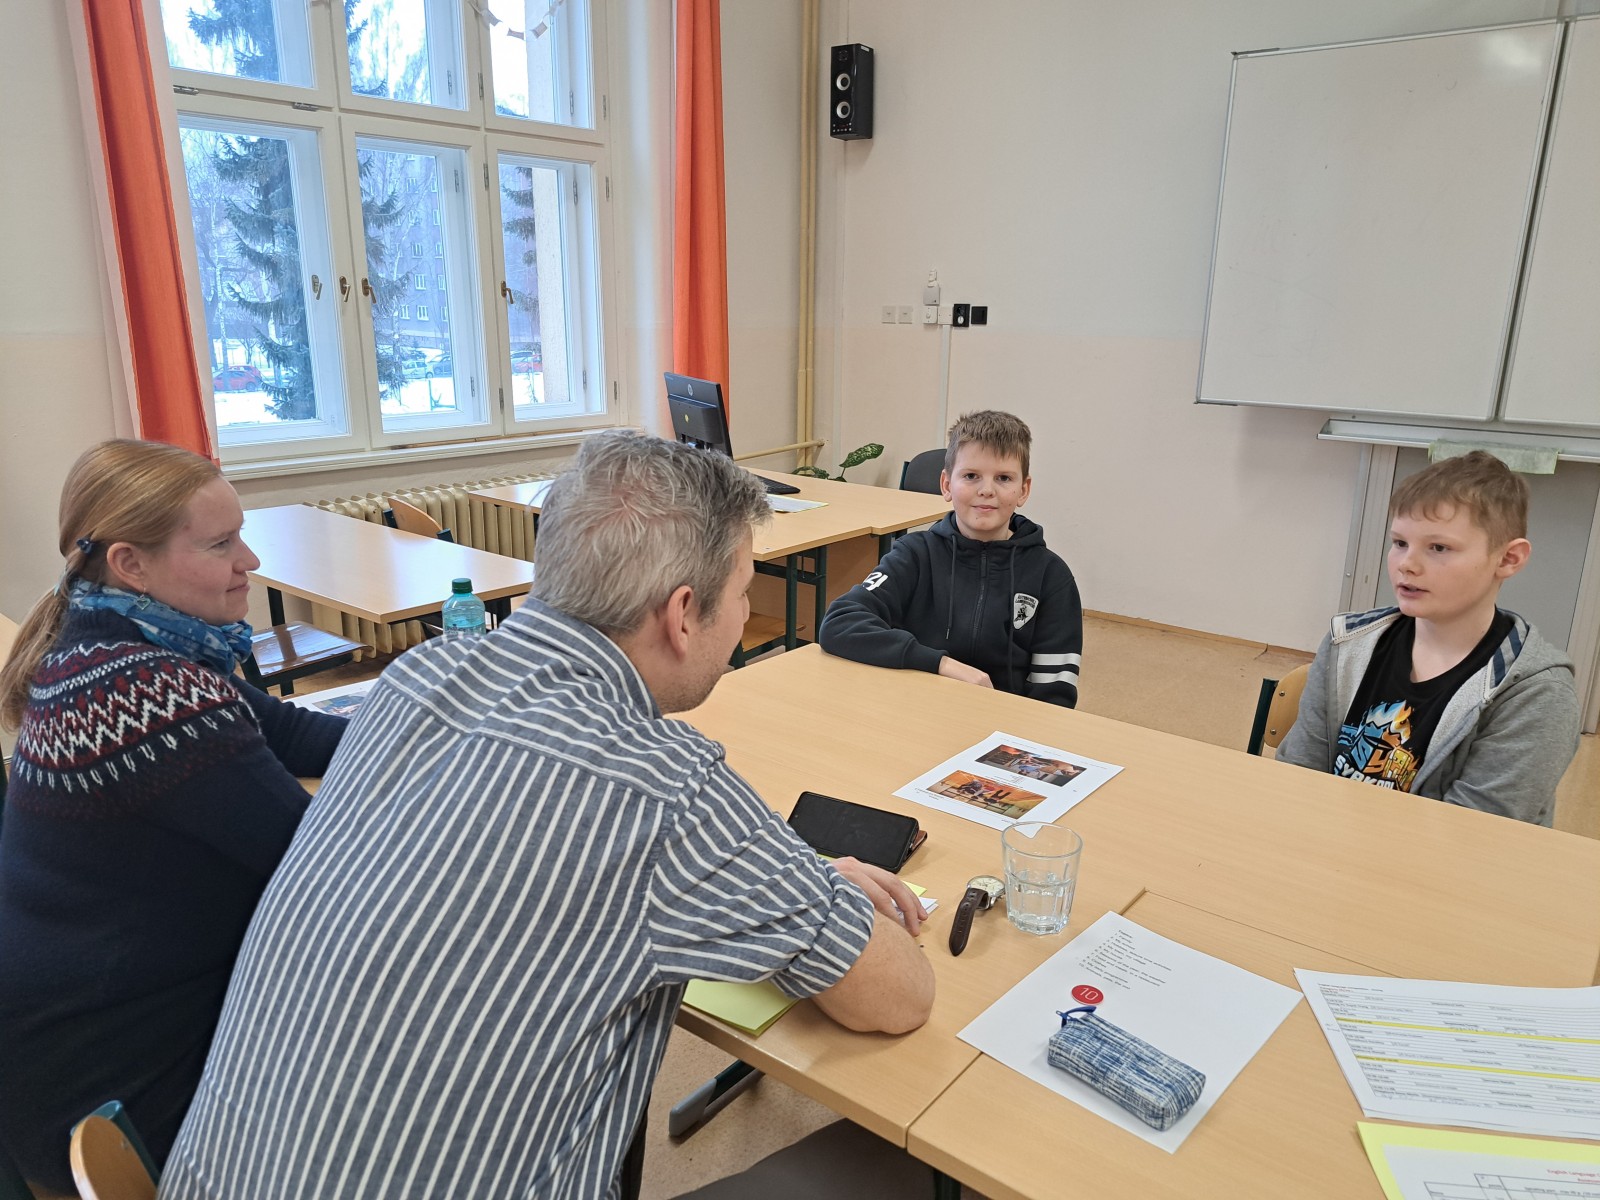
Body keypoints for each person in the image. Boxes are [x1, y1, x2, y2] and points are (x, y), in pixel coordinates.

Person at [158, 431, 934, 1200]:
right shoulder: (663, 787)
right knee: (903, 1168)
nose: (744, 617)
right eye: (742, 593)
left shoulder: (414, 677)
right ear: (682, 613)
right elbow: (899, 997)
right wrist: (807, 885)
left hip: (206, 1183)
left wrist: (776, 882)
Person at [0, 439, 347, 1191]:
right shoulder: (147, 694)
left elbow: (293, 732)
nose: (249, 561)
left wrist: (436, 721)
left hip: (66, 1055)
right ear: (131, 563)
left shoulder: (109, 645)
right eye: (221, 545)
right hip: (116, 1094)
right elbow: (321, 870)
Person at [1276, 450, 1579, 825]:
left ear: (1508, 559)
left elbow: (1471, 833)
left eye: (1438, 548)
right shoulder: (1347, 644)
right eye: (1400, 542)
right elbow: (1298, 775)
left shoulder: (1537, 692)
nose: (1407, 564)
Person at [820, 410, 1083, 706]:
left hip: (1002, 721)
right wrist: (942, 664)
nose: (986, 490)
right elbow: (840, 623)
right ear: (946, 485)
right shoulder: (914, 554)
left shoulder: (1051, 575)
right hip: (918, 708)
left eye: (1003, 478)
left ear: (1023, 490)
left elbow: (1054, 696)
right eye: (971, 476)